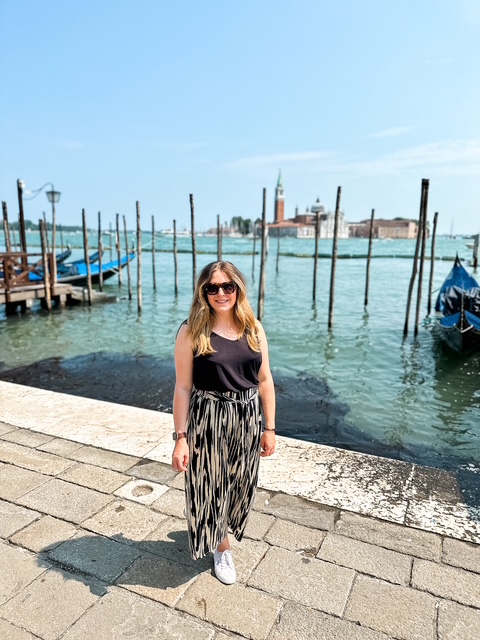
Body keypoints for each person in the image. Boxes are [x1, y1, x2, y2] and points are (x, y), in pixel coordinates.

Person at [172, 260, 276, 585]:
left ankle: (219, 528)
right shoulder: (191, 330)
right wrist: (180, 437)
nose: (220, 293)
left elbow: (265, 379)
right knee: (211, 485)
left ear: (238, 289)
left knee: (241, 483)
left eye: (227, 286)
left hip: (247, 417)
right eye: (212, 287)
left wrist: (269, 427)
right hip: (209, 417)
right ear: (203, 292)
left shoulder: (253, 327)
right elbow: (182, 386)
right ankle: (221, 546)